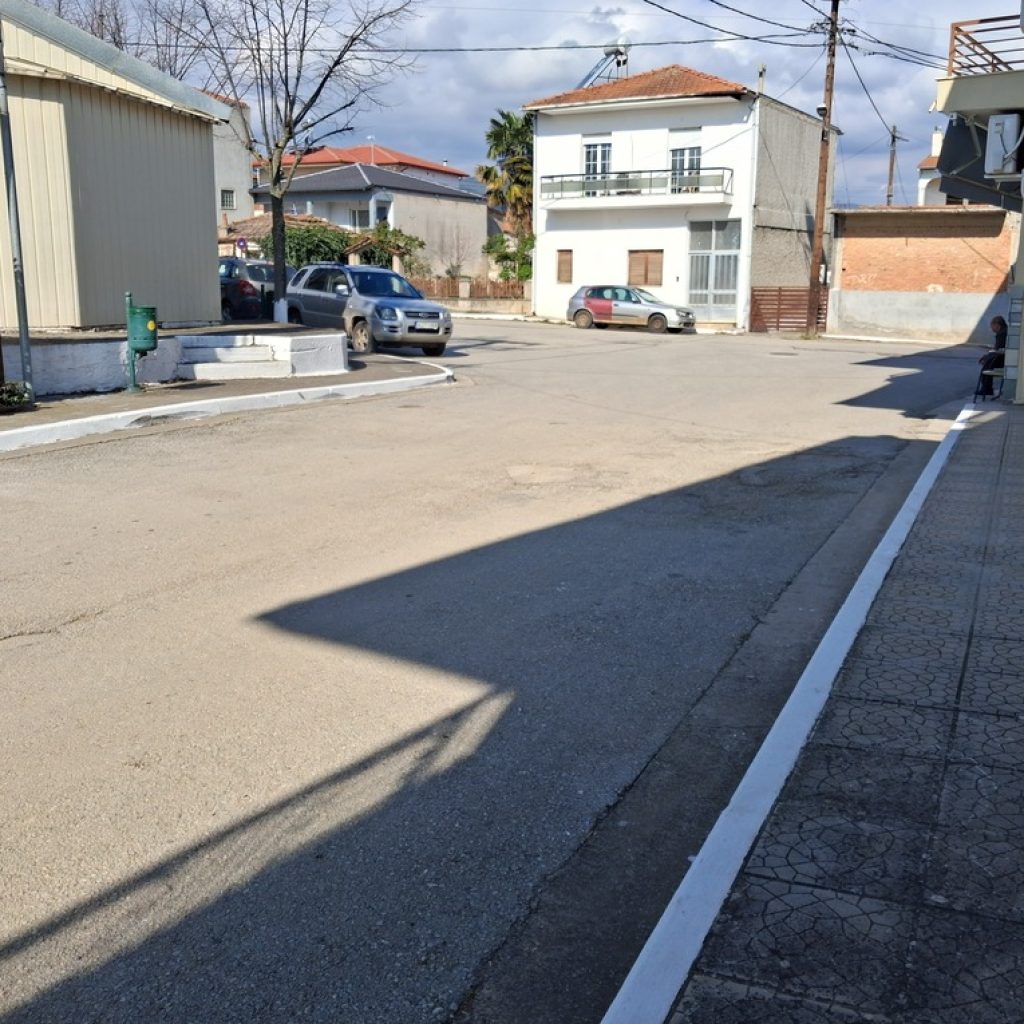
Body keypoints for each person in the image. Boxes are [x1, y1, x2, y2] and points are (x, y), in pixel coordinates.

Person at [978, 315, 1008, 397]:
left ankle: (987, 389)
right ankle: (986, 388)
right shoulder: (1004, 331)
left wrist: (987, 357)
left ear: (997, 325)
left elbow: (998, 349)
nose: (991, 328)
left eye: (992, 326)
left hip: (1002, 359)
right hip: (1004, 358)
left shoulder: (1002, 333)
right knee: (987, 363)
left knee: (987, 366)